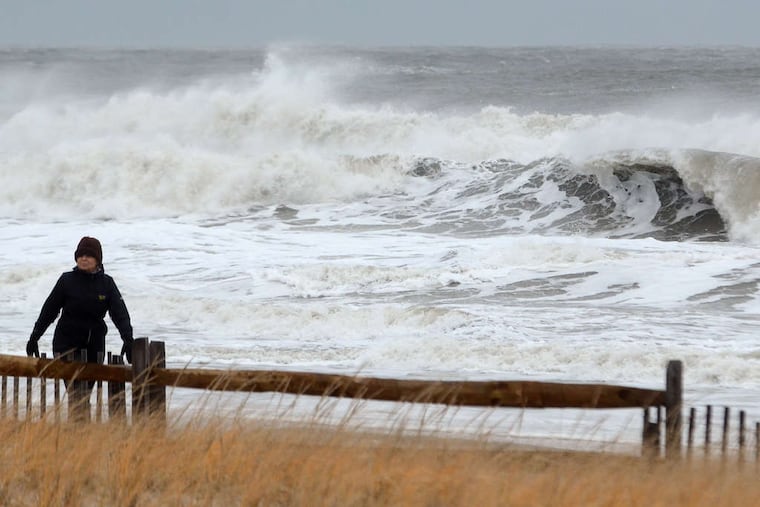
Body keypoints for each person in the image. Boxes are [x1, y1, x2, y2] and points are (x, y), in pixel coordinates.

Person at [26, 236, 134, 365]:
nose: (84, 258)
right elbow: (49, 311)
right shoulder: (66, 280)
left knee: (87, 384)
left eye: (89, 255)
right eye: (81, 255)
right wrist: (35, 337)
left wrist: (128, 340)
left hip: (94, 345)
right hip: (66, 344)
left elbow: (120, 314)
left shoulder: (107, 283)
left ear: (98, 260)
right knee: (75, 384)